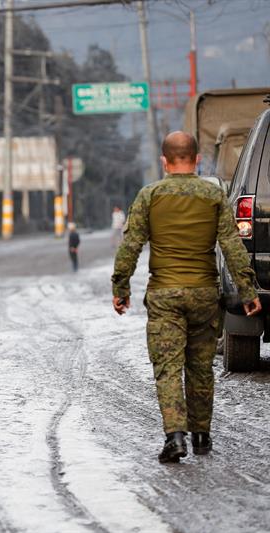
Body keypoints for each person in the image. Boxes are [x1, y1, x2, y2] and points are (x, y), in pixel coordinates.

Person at [112, 131, 261, 464]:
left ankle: (175, 437)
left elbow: (131, 246)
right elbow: (232, 246)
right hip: (205, 295)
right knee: (200, 367)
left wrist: (120, 288)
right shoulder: (213, 195)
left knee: (168, 368)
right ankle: (202, 436)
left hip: (164, 295)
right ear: (196, 160)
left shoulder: (150, 195)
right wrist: (247, 291)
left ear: (165, 161)